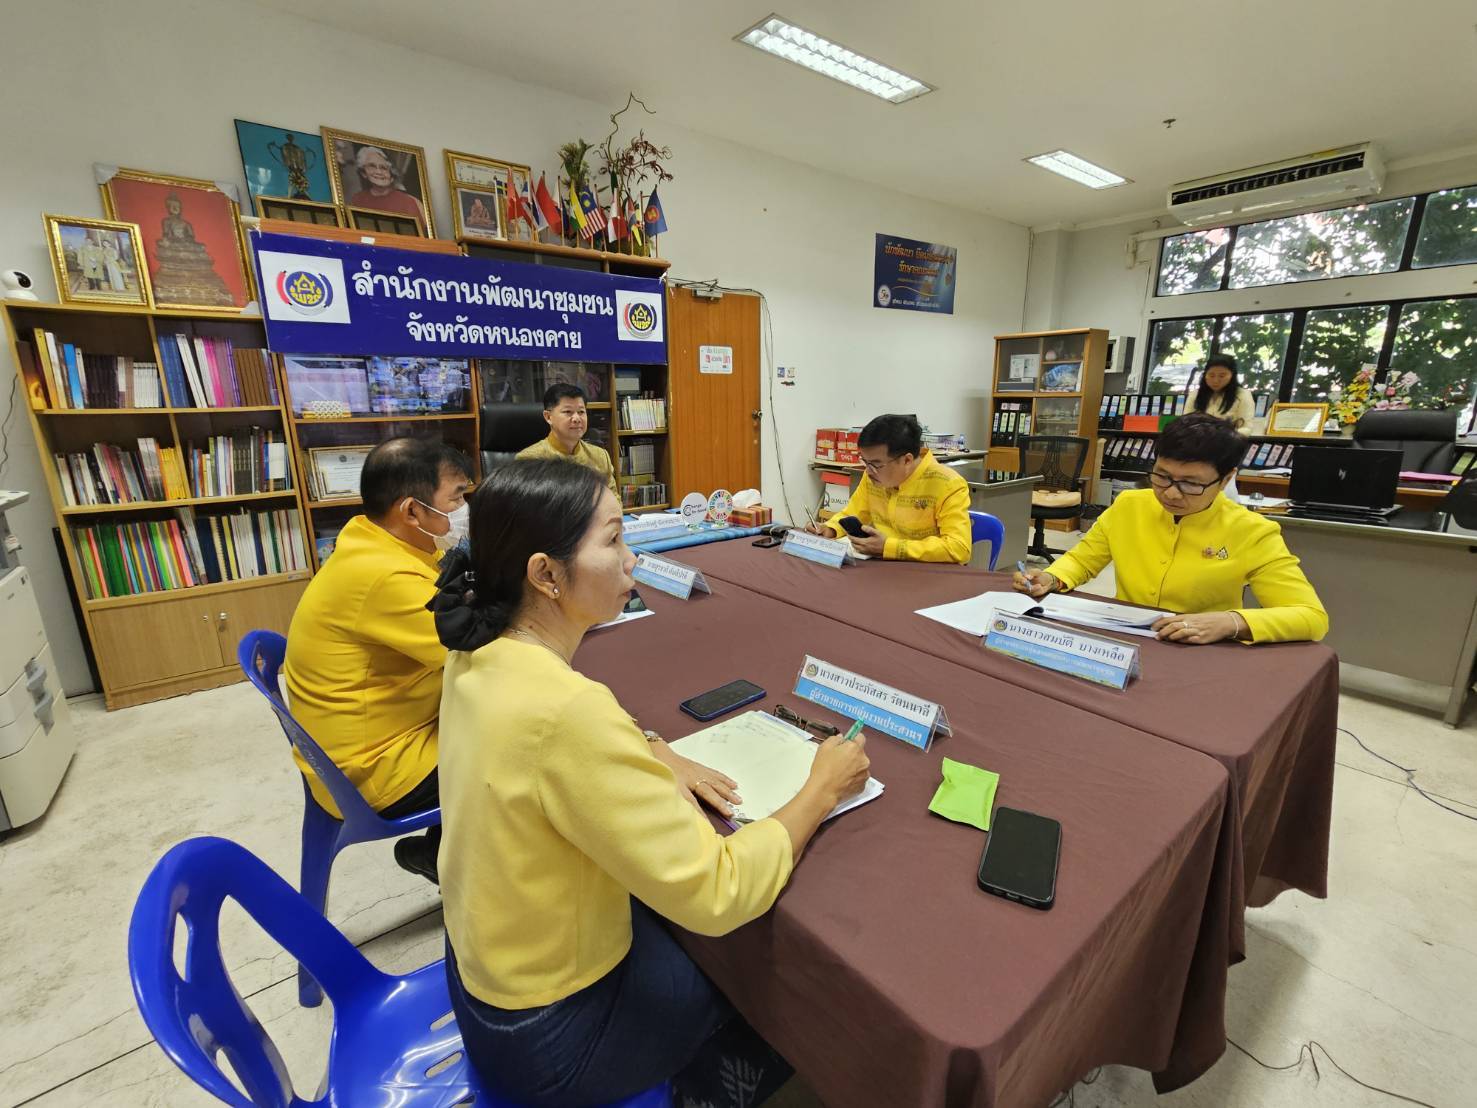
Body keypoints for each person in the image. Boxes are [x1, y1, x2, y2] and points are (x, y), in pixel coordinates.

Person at [431, 459, 871, 1106]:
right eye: (613, 540)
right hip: (554, 1036)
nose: (632, 559)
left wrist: (649, 746)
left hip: (487, 974)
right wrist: (821, 788)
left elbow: (547, 748)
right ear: (546, 574)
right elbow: (719, 890)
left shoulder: (477, 648)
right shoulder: (567, 710)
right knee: (770, 975)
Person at [284, 438, 471, 882]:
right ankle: (460, 865)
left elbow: (455, 591)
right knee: (519, 748)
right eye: (457, 497)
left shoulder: (374, 538)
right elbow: (474, 648)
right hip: (374, 769)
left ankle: (442, 850)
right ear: (412, 511)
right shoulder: (384, 575)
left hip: (373, 737)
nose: (464, 509)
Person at [1014, 413, 1327, 644]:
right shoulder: (1129, 505)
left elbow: (1310, 616)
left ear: (1226, 479)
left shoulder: (1252, 531)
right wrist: (1052, 577)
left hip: (1201, 647)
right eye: (1162, 476)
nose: (1171, 493)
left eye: (1191, 483)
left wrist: (1231, 622)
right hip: (1125, 636)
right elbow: (1083, 560)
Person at [804, 413, 971, 563]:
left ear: (907, 460)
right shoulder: (872, 476)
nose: (868, 471)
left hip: (928, 574)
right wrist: (830, 529)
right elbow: (853, 513)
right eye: (865, 461)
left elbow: (959, 548)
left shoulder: (947, 484)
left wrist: (889, 547)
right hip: (882, 568)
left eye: (876, 464)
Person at [515, 383, 619, 496]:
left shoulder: (600, 456)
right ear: (548, 417)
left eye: (581, 412)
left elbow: (614, 500)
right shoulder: (529, 460)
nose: (576, 418)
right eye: (568, 412)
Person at [347, 144, 427, 224]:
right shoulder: (357, 200)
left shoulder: (410, 201)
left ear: (391, 174)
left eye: (383, 168)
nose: (379, 172)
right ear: (363, 173)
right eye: (372, 166)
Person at [1192, 354, 1255, 430]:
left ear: (1232, 375)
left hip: (1230, 437)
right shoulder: (1195, 394)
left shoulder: (1243, 395)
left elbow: (1247, 428)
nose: (1216, 381)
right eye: (1211, 375)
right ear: (1205, 375)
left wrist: (1224, 434)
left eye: (1222, 376)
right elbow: (1185, 423)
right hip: (1197, 437)